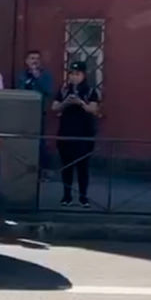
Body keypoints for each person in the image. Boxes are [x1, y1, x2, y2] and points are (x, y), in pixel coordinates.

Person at [51, 61, 102, 208]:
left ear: (84, 75)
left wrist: (81, 103)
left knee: (82, 167)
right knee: (66, 167)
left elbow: (93, 109)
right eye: (72, 74)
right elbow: (54, 107)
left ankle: (83, 197)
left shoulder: (90, 91)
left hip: (84, 135)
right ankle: (66, 196)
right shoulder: (64, 90)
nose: (74, 77)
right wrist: (66, 103)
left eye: (77, 74)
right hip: (66, 133)